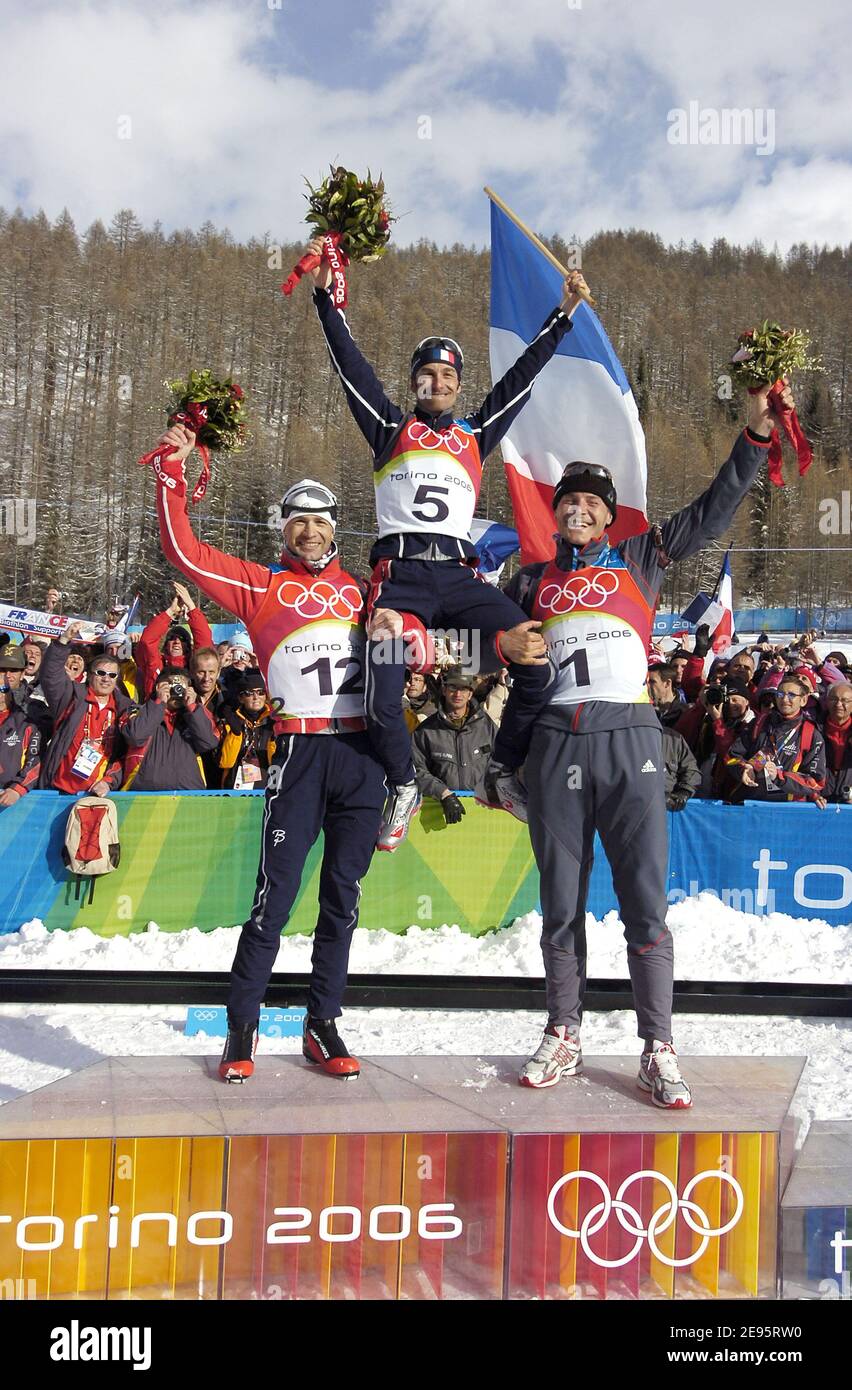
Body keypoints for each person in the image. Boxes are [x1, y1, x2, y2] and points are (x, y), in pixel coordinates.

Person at [495, 377, 794, 1107]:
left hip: (631, 738)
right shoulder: (528, 576)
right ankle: (563, 1031)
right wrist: (496, 650)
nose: (578, 509)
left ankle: (658, 1046)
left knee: (644, 904)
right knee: (560, 902)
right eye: (568, 501)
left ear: (607, 514)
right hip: (557, 743)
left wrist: (755, 437)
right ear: (555, 512)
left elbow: (714, 510)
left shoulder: (643, 556)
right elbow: (483, 646)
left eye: (591, 502)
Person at [308, 243, 590, 850]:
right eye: (426, 375)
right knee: (383, 688)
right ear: (414, 382)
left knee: (535, 652)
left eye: (448, 376)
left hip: (460, 580)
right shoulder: (389, 429)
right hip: (402, 579)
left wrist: (562, 315)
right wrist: (327, 296)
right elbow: (347, 362)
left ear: (459, 387)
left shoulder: (474, 435)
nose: (437, 383)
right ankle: (404, 783)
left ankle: (500, 770)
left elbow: (522, 378)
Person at [152, 427, 388, 1082]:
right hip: (301, 756)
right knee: (273, 900)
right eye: (298, 522)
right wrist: (172, 474)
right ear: (283, 530)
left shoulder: (366, 591)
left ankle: (323, 1022)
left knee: (343, 897)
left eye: (319, 521)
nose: (309, 532)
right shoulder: (262, 586)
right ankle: (242, 1026)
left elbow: (420, 628)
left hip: (361, 756)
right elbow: (184, 550)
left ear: (336, 528)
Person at [39, 624, 133, 795]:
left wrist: (109, 782)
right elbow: (50, 677)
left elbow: (124, 755)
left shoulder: (124, 709)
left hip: (96, 794)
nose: (106, 679)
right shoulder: (71, 697)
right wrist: (63, 641)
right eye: (101, 673)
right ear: (89, 675)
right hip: (57, 791)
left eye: (112, 675)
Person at [411, 669, 496, 823]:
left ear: (470, 693)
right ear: (444, 690)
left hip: (484, 816)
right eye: (453, 688)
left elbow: (502, 763)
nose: (458, 694)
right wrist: (443, 793)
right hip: (441, 814)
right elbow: (416, 769)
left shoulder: (487, 727)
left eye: (463, 689)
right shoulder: (426, 731)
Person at [726, 676, 825, 803]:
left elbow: (816, 781)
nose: (784, 699)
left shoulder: (811, 734)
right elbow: (731, 757)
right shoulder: (758, 723)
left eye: (791, 695)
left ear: (803, 700)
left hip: (785, 809)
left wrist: (780, 776)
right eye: (780, 694)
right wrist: (744, 768)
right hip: (751, 801)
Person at [120, 668, 220, 791]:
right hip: (143, 794)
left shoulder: (198, 713)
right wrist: (158, 703)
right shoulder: (138, 711)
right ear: (159, 687)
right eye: (172, 686)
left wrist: (192, 707)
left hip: (188, 794)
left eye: (182, 687)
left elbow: (208, 743)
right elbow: (135, 737)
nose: (177, 692)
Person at [135, 582, 213, 698]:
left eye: (182, 639)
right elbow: (147, 641)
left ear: (188, 645)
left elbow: (205, 643)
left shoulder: (194, 668)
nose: (177, 642)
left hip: (188, 714)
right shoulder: (156, 665)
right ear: (166, 645)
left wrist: (191, 607)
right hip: (158, 713)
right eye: (172, 638)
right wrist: (170, 611)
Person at [218, 670, 277, 790]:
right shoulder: (229, 722)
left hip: (268, 788)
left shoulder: (274, 722)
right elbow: (225, 762)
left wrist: (273, 736)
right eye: (249, 693)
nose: (256, 697)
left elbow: (275, 761)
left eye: (261, 692)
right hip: (235, 789)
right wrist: (236, 733)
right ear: (241, 698)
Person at [0, 645, 41, 807]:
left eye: (14, 670)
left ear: (23, 673)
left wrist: (19, 788)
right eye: (2, 669)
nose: (8, 675)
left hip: (13, 799)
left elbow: (37, 757)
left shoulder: (33, 711)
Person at [816, 682, 852, 805]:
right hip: (820, 798)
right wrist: (813, 794)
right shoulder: (813, 728)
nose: (838, 704)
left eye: (845, 701)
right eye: (833, 699)